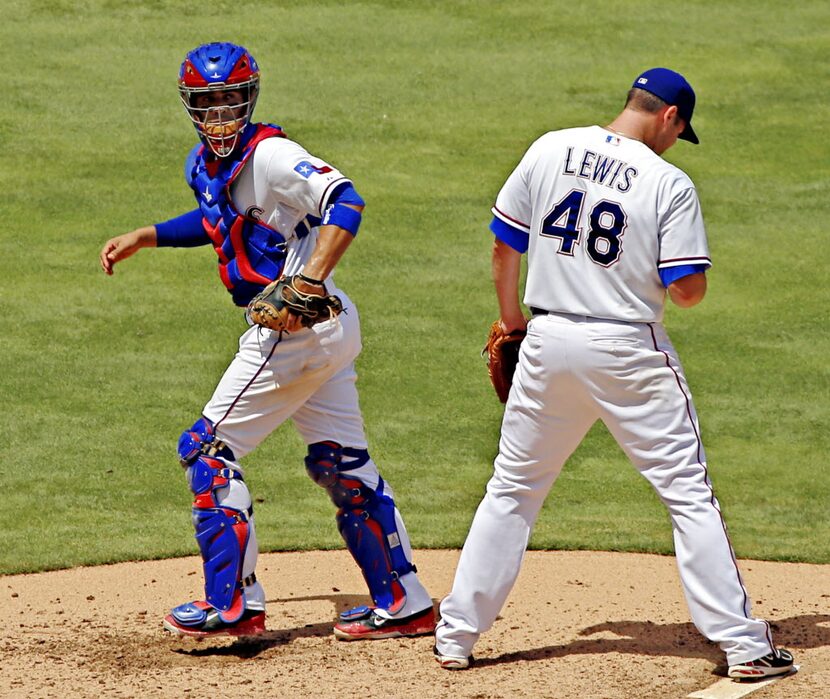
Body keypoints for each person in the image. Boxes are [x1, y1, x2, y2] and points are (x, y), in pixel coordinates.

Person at [433, 68, 795, 680]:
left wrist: (511, 320)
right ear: (670, 117)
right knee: (687, 492)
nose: (676, 141)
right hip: (627, 351)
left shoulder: (549, 147)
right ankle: (744, 646)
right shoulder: (667, 182)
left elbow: (503, 245)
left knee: (513, 490)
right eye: (681, 131)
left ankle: (456, 635)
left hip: (548, 343)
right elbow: (686, 293)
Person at [99, 42, 434, 641]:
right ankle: (404, 600)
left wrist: (306, 280)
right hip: (329, 330)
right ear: (191, 108)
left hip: (294, 330)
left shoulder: (274, 156)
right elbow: (215, 220)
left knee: (206, 450)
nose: (221, 116)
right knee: (341, 464)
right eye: (208, 105)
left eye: (231, 102)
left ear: (250, 99)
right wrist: (146, 235)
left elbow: (346, 201)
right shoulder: (203, 166)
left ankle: (233, 605)